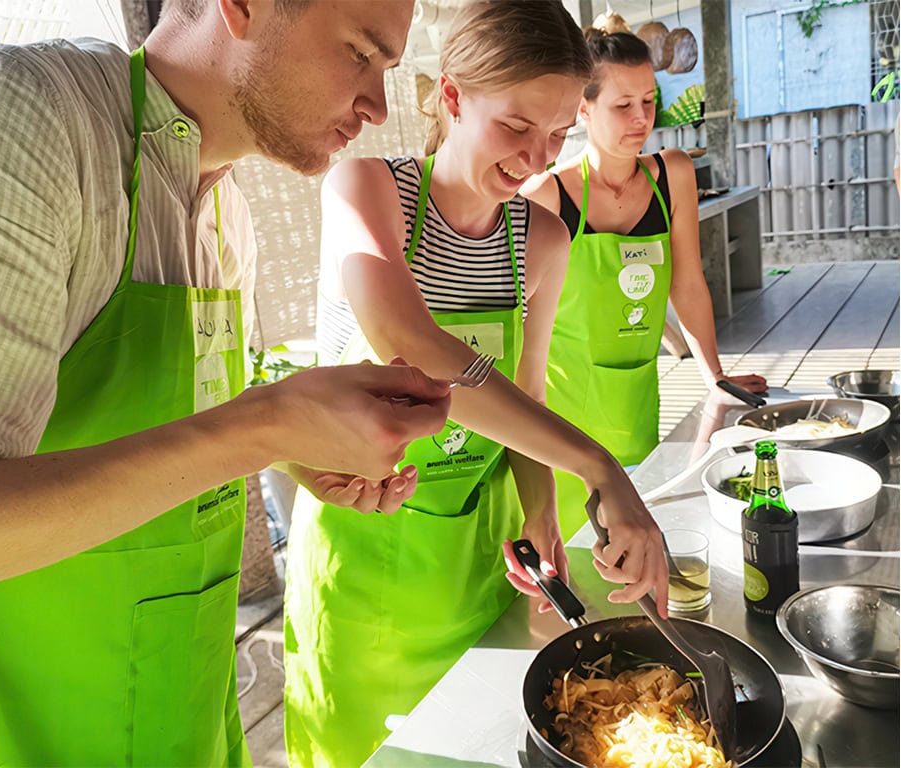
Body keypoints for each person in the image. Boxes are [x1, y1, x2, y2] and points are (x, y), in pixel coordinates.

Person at [0, 1, 453, 765]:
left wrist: (288, 447)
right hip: (10, 737)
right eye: (359, 53)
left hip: (187, 721)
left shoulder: (227, 215)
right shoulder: (14, 116)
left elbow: (175, 433)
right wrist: (262, 427)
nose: (378, 108)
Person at [282, 4, 669, 766]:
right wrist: (598, 465)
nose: (536, 157)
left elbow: (522, 397)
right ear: (453, 97)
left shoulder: (544, 236)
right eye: (516, 126)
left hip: (477, 550)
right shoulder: (367, 190)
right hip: (363, 547)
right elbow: (410, 342)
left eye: (557, 133)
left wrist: (540, 515)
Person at [521, 30, 768, 540]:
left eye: (650, 101)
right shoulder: (547, 195)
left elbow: (688, 282)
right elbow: (516, 316)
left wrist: (714, 377)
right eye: (623, 105)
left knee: (635, 539)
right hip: (563, 410)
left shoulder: (672, 174)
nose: (642, 119)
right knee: (574, 551)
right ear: (583, 111)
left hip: (635, 401)